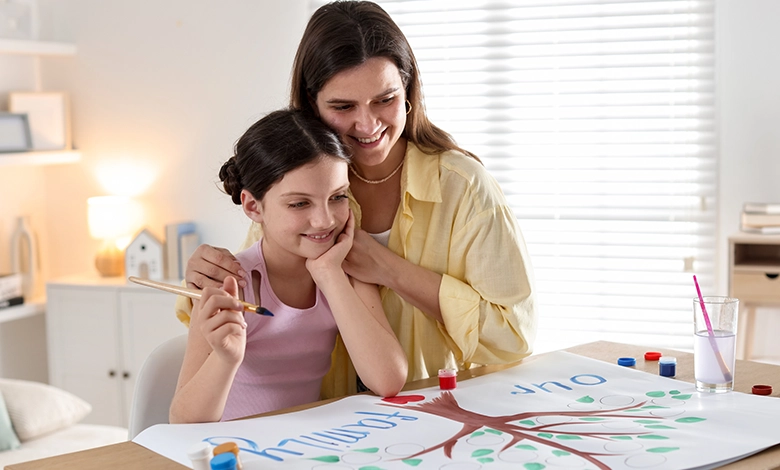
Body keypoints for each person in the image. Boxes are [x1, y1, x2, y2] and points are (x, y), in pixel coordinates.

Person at [178, 0, 537, 399]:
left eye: (385, 99)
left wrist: (389, 269)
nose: (367, 125)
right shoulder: (299, 188)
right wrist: (201, 274)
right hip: (324, 419)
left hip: (426, 409)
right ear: (312, 106)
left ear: (408, 93)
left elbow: (512, 338)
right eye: (343, 106)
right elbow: (258, 290)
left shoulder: (463, 186)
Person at [169, 109, 407, 424]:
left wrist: (328, 273)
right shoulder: (230, 283)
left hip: (301, 446)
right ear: (254, 206)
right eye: (299, 203)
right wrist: (227, 359)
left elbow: (388, 380)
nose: (325, 220)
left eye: (337, 197)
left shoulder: (346, 271)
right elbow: (182, 421)